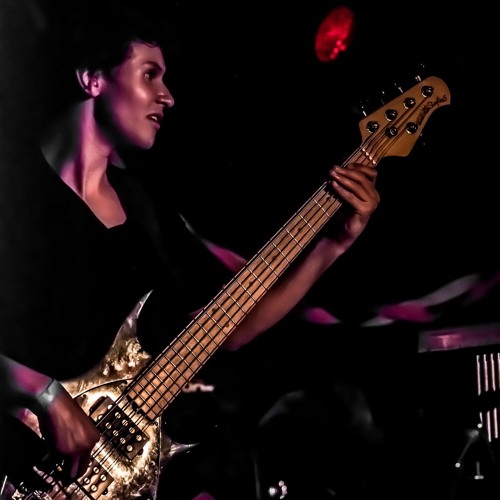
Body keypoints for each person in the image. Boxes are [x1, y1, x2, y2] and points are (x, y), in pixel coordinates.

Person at [0, 1, 380, 499]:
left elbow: (225, 328)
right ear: (92, 79)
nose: (169, 96)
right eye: (150, 74)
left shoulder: (145, 211)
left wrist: (333, 244)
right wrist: (45, 393)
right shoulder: (14, 182)